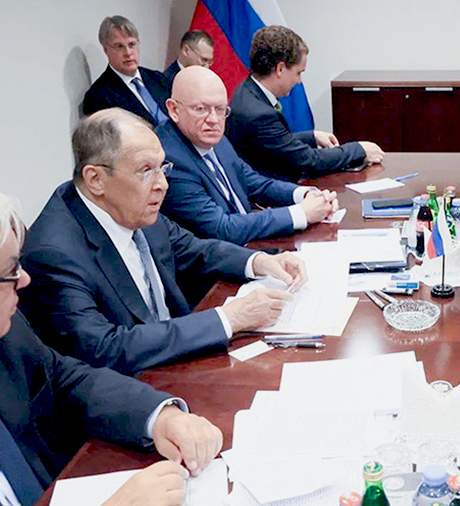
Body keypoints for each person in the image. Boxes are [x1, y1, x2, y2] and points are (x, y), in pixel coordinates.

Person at [20, 109, 305, 375]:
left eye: (161, 168)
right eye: (146, 171)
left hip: (178, 361)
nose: (163, 184)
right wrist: (228, 319)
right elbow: (103, 348)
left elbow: (194, 249)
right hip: (132, 387)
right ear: (95, 179)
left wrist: (259, 261)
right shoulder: (54, 253)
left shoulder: (130, 205)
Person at [0, 193, 223, 506]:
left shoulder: (9, 330)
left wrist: (158, 416)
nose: (24, 279)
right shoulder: (56, 245)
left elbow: (62, 377)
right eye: (11, 270)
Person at [159, 66, 338, 244]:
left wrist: (307, 195)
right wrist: (301, 213)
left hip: (250, 245)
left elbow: (254, 182)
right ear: (174, 110)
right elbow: (221, 229)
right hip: (220, 256)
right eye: (200, 109)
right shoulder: (169, 160)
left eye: (220, 109)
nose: (213, 120)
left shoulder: (212, 137)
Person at [226, 26, 384, 180]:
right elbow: (307, 161)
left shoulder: (246, 90)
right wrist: (358, 149)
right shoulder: (259, 114)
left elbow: (275, 142)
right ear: (280, 69)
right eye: (298, 73)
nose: (299, 81)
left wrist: (311, 137)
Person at [82, 16, 171, 126]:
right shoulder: (98, 97)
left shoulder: (157, 78)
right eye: (119, 46)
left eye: (132, 44)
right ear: (106, 50)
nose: (128, 53)